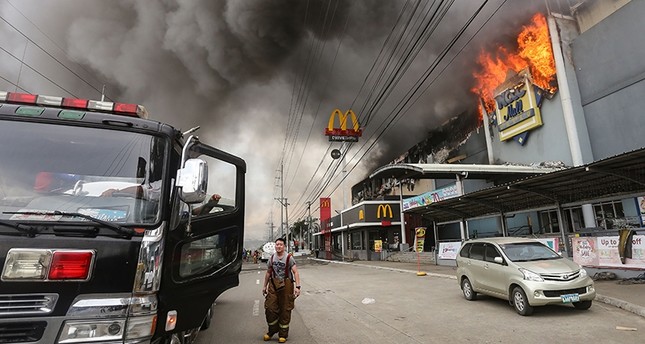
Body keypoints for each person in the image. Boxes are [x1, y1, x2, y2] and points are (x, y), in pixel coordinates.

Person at [262, 238, 301, 343]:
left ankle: (283, 334)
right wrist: (264, 286)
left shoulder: (289, 258)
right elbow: (268, 273)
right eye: (277, 244)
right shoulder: (272, 258)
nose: (278, 246)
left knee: (285, 309)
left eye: (280, 244)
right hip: (273, 285)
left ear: (284, 246)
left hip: (286, 285)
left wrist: (298, 287)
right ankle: (272, 330)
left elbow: (295, 272)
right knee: (270, 308)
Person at [101, 184, 220, 215]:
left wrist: (211, 204)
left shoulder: (192, 192)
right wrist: (117, 193)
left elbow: (194, 212)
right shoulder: (168, 185)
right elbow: (141, 190)